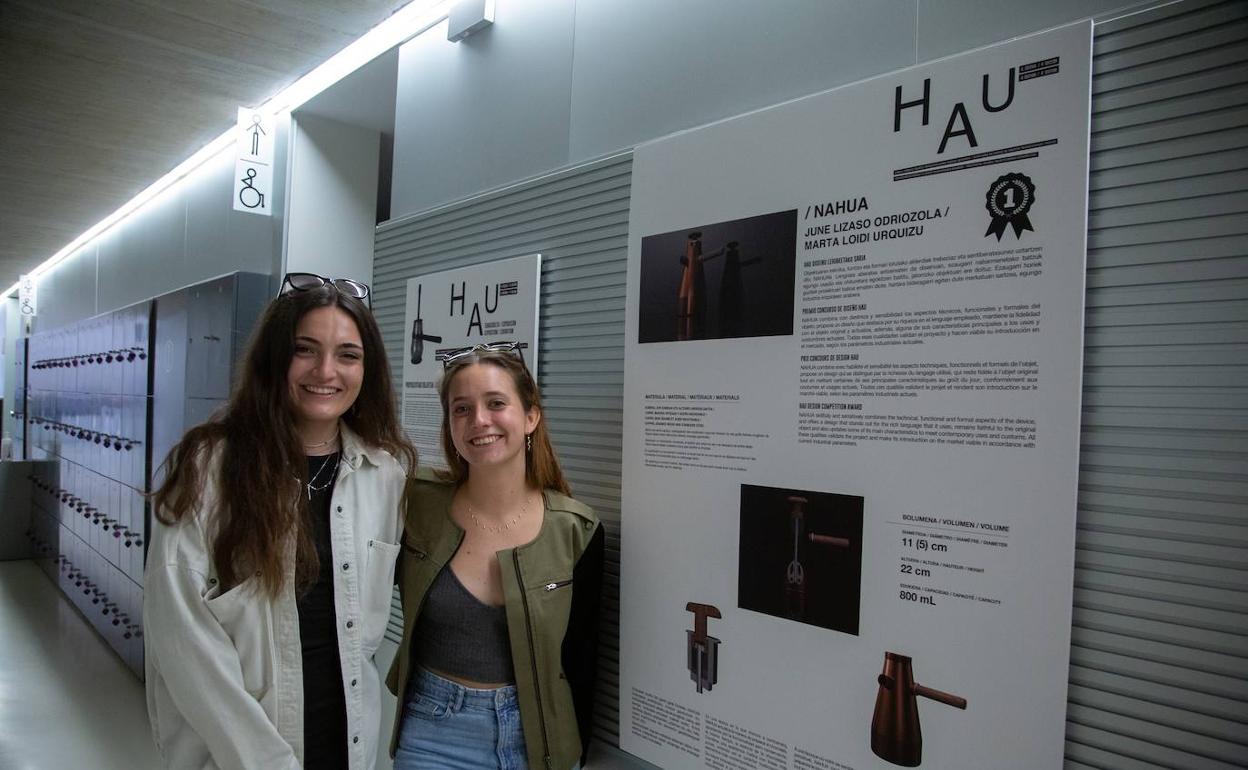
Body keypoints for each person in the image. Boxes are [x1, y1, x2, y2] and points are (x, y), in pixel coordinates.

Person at [144, 273, 415, 770]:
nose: (326, 370)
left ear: (367, 369)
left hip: (348, 743)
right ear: (274, 357)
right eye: (304, 349)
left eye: (348, 355)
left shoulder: (386, 475)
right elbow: (179, 633)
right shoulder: (210, 467)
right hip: (236, 751)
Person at [386, 342, 604, 770]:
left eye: (496, 403)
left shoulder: (576, 530)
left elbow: (581, 661)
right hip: (433, 732)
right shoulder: (415, 504)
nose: (479, 420)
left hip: (536, 739)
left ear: (531, 416)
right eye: (461, 409)